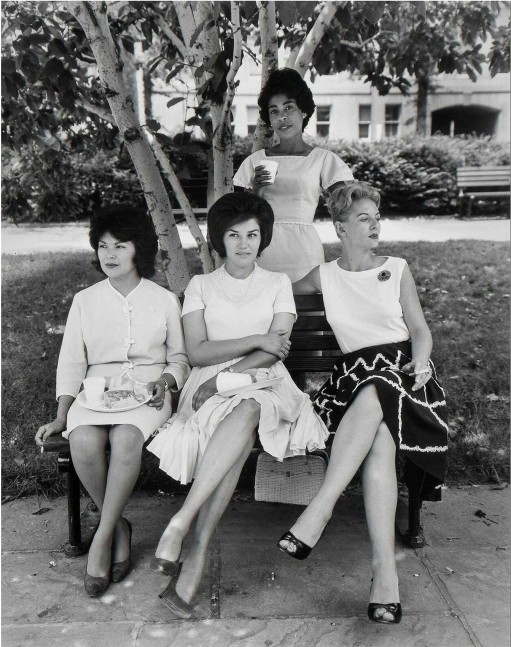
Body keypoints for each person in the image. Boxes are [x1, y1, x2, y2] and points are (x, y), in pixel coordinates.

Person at [147, 191, 329, 618]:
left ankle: (183, 522)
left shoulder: (277, 283)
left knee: (248, 408)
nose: (244, 243)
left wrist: (231, 377)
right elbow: (197, 352)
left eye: (252, 234)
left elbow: (277, 349)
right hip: (207, 384)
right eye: (234, 234)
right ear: (219, 239)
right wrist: (253, 339)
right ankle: (195, 552)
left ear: (262, 238)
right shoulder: (201, 285)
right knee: (240, 421)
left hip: (264, 381)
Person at [277, 182, 449, 624]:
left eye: (376, 216)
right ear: (339, 227)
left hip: (406, 377)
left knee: (380, 389)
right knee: (379, 437)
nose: (375, 225)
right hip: (352, 381)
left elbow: (420, 331)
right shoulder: (323, 275)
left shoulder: (397, 267)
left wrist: (423, 362)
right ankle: (383, 572)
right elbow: (274, 299)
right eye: (363, 218)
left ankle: (320, 508)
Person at [35, 206, 190, 598]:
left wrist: (168, 380)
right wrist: (61, 415)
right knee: (82, 439)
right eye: (103, 245)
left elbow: (179, 358)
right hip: (94, 393)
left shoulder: (164, 299)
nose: (110, 254)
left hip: (147, 393)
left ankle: (100, 541)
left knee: (125, 439)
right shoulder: (85, 300)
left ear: (139, 250)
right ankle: (117, 526)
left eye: (120, 245)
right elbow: (71, 362)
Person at [234, 67, 354, 283]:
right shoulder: (254, 161)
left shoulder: (323, 159)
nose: (282, 117)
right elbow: (237, 220)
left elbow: (348, 208)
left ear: (304, 111)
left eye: (289, 108)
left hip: (304, 254)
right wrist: (256, 192)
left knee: (307, 313)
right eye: (274, 111)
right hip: (262, 250)